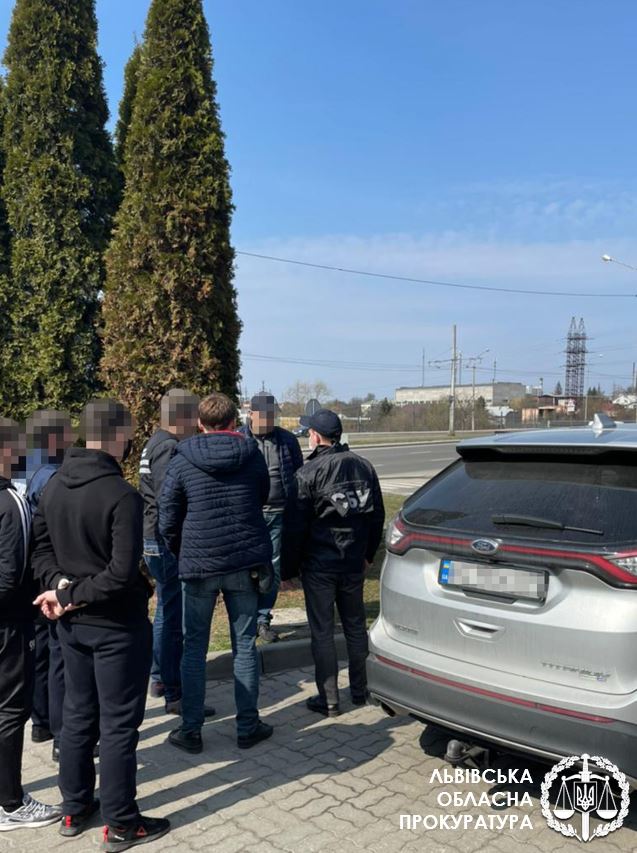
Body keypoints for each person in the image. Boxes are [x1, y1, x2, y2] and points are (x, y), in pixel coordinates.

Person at [32, 399, 170, 850]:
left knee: (77, 715)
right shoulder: (121, 496)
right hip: (115, 627)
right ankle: (122, 822)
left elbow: (41, 553)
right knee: (117, 725)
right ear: (117, 436)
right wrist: (65, 592)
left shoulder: (54, 485)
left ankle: (74, 807)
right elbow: (121, 573)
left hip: (71, 625)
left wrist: (60, 589)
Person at [159, 392, 273, 754]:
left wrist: (182, 550)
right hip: (242, 561)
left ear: (199, 423)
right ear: (233, 422)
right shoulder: (252, 454)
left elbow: (167, 514)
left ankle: (191, 729)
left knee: (194, 647)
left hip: (199, 564)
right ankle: (247, 725)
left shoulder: (182, 458)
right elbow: (262, 495)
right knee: (244, 644)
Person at [282, 409, 385, 717]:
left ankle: (329, 700)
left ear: (315, 436)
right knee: (355, 627)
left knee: (323, 632)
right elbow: (376, 516)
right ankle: (360, 691)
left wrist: (288, 569)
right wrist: (367, 554)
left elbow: (294, 528)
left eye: (308, 433)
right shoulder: (364, 466)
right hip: (352, 562)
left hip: (320, 566)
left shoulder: (307, 473)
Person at [0, 416, 62, 831]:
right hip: (9, 625)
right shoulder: (12, 503)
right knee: (10, 709)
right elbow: (12, 575)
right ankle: (10, 803)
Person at [139, 388, 213, 718]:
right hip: (163, 541)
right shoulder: (168, 447)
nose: (197, 423)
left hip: (154, 538)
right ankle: (174, 692)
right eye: (194, 416)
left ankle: (159, 677)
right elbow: (169, 499)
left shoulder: (154, 441)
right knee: (173, 619)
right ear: (182, 417)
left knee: (166, 609)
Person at [25, 410, 74, 761]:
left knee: (41, 649)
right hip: (48, 570)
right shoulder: (52, 475)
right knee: (59, 654)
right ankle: (62, 735)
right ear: (55, 438)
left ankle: (41, 722)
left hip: (28, 570)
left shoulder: (24, 467)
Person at [241, 393, 303, 643]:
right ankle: (247, 619)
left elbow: (298, 474)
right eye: (264, 416)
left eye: (272, 416)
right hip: (249, 515)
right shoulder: (239, 438)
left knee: (273, 570)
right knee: (247, 569)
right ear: (251, 414)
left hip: (278, 514)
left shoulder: (287, 440)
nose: (268, 420)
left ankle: (262, 619)